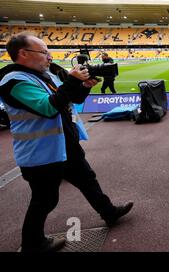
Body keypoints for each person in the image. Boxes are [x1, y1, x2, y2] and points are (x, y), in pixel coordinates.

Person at [0, 32, 133, 252]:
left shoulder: (45, 74)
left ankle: (109, 212)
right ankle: (32, 244)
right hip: (41, 152)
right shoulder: (14, 81)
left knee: (88, 179)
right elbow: (48, 108)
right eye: (44, 52)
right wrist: (71, 80)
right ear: (23, 53)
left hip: (64, 144)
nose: (49, 57)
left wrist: (84, 86)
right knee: (45, 199)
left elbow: (71, 99)